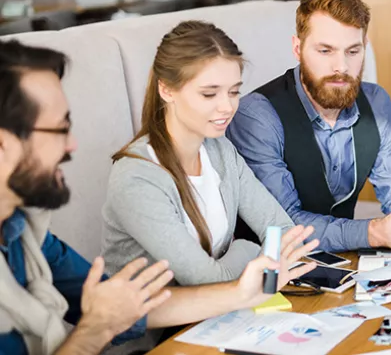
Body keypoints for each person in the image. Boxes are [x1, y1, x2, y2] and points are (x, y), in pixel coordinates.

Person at [0, 39, 318, 355]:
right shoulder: (137, 175)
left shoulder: (28, 235)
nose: (73, 146)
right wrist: (94, 331)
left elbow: (132, 306)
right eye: (60, 129)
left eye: (233, 91)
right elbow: (112, 318)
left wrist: (240, 293)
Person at [226, 0, 391, 253]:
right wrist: (376, 232)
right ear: (298, 49)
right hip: (267, 270)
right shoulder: (257, 116)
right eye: (325, 51)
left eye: (352, 52)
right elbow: (284, 225)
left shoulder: (376, 102)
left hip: (343, 261)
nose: (340, 67)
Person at [101, 21, 305, 286]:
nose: (227, 107)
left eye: (234, 92)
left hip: (227, 311)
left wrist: (262, 281)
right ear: (166, 90)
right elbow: (204, 281)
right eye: (209, 94)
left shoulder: (220, 150)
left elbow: (283, 232)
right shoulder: (137, 177)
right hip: (168, 325)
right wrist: (249, 249)